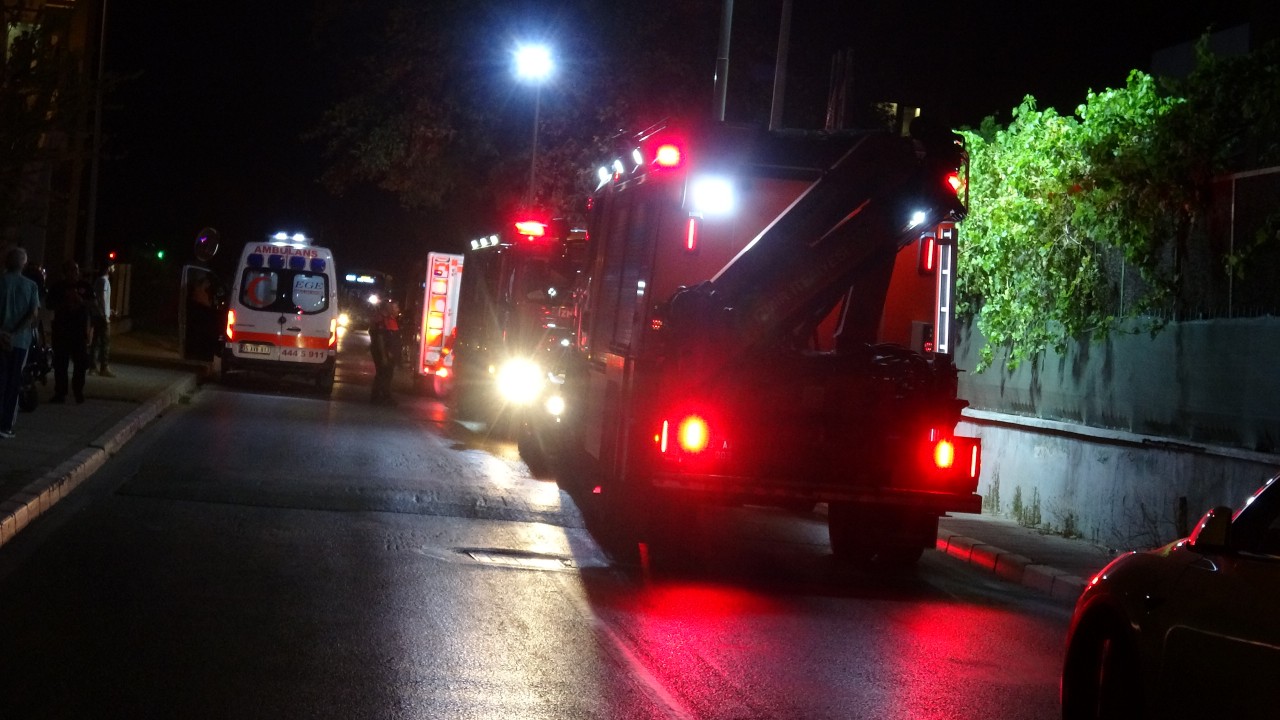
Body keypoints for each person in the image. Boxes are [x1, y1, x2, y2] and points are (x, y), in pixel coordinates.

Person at [0, 247, 41, 438]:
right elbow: (33, 315)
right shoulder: (31, 286)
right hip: (20, 342)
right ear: (24, 264)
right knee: (13, 384)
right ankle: (5, 426)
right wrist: (15, 332)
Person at [46, 259, 93, 404]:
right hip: (62, 330)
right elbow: (49, 304)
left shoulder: (84, 286)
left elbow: (93, 304)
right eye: (72, 270)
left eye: (77, 270)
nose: (75, 273)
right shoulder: (58, 287)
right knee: (60, 363)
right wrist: (64, 302)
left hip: (79, 331)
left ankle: (78, 391)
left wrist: (81, 301)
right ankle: (60, 392)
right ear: (65, 273)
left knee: (81, 363)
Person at [368, 300, 401, 405]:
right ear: (390, 309)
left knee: (384, 374)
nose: (398, 310)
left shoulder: (391, 320)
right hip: (384, 353)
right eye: (396, 308)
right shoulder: (383, 321)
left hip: (387, 353)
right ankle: (382, 396)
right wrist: (384, 356)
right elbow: (381, 339)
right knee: (384, 374)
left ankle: (379, 396)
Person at [88, 260, 114, 377]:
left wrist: (110, 310)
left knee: (95, 342)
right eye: (112, 267)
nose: (113, 269)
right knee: (105, 342)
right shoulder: (104, 281)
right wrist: (105, 314)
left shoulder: (98, 280)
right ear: (108, 268)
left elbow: (96, 299)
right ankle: (104, 367)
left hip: (96, 315)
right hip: (102, 317)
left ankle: (92, 367)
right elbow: (102, 298)